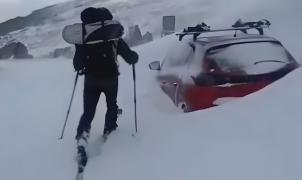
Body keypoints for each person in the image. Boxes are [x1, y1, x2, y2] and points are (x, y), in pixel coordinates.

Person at [73, 7, 138, 141]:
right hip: (111, 78)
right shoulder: (113, 34)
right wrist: (134, 57)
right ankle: (109, 131)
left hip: (91, 79)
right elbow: (130, 56)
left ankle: (82, 137)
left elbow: (77, 64)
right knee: (111, 105)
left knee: (89, 111)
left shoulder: (85, 36)